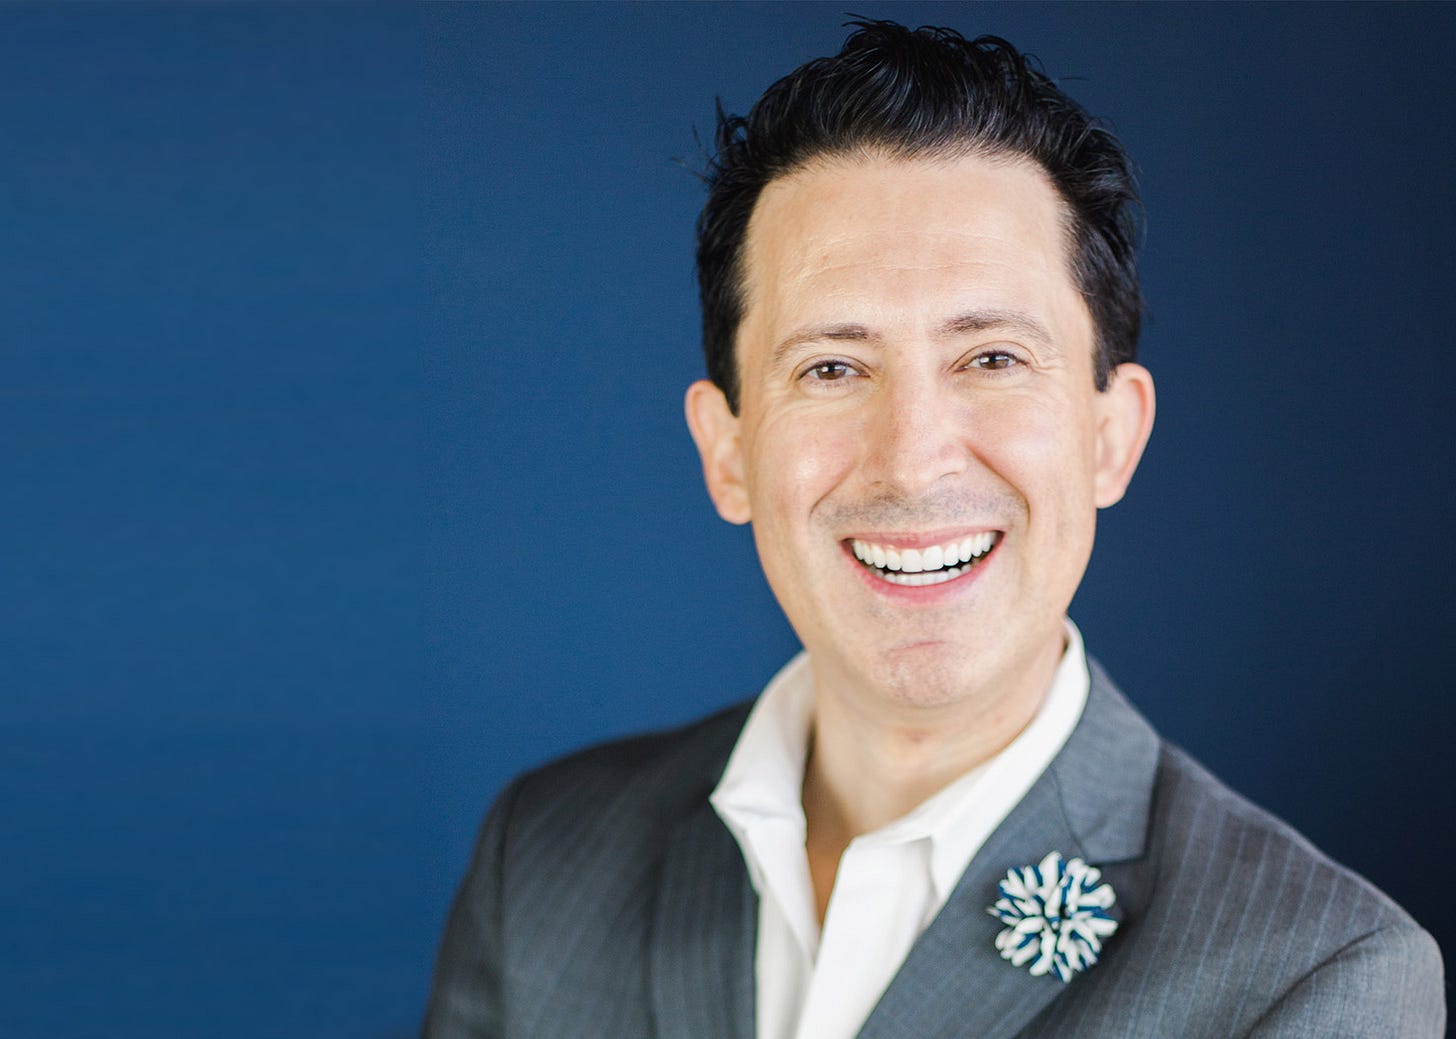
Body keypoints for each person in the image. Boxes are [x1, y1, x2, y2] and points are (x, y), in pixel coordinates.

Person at [423, 20, 1445, 1038]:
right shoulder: (544, 855)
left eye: (992, 358)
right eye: (831, 367)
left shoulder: (1316, 977)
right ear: (727, 450)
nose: (911, 461)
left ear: (1110, 437)